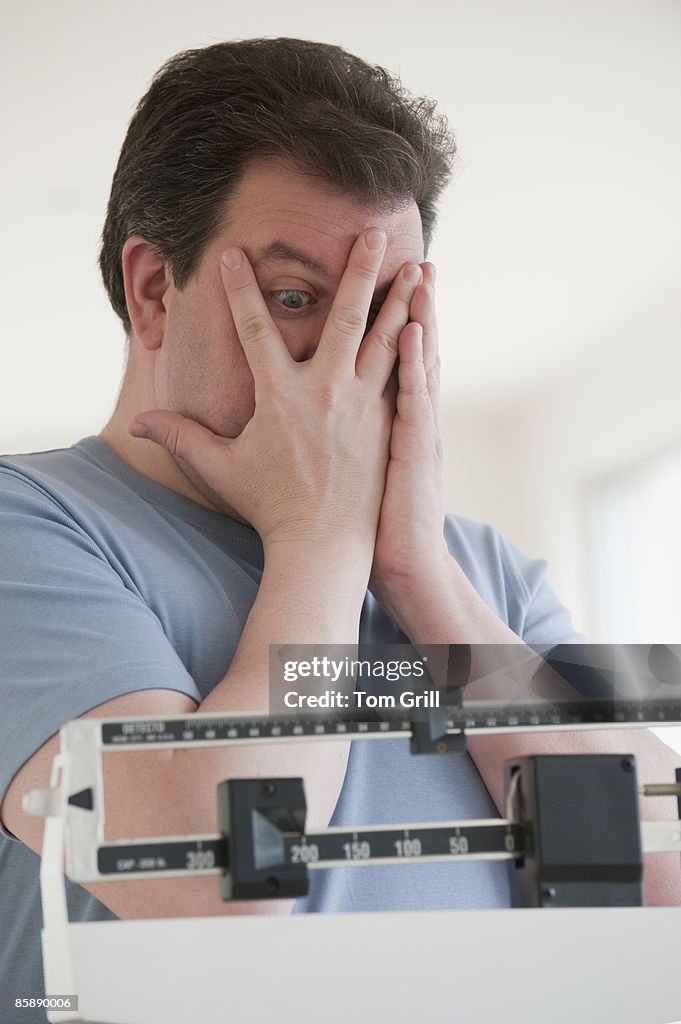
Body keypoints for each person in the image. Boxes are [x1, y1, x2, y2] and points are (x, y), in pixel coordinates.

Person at [1, 36, 679, 1009]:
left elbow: (660, 889)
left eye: (385, 306)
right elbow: (210, 882)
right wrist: (318, 537)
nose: (349, 358)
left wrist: (422, 581)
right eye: (295, 299)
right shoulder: (31, 528)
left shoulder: (482, 574)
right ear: (155, 289)